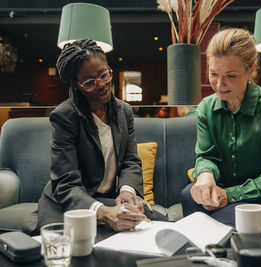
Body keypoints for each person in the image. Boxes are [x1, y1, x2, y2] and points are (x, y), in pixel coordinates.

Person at [24, 39, 164, 234]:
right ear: (75, 84)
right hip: (71, 202)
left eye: (104, 74)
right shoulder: (65, 116)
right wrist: (104, 212)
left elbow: (130, 161)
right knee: (70, 241)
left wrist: (126, 191)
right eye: (89, 82)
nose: (101, 84)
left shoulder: (124, 111)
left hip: (104, 199)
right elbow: (66, 182)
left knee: (158, 222)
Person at [181, 28, 261, 236]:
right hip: (226, 194)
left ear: (251, 70)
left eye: (230, 76)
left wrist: (229, 195)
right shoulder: (205, 108)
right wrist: (204, 175)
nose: (220, 85)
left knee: (222, 220)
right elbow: (206, 156)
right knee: (189, 195)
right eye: (213, 74)